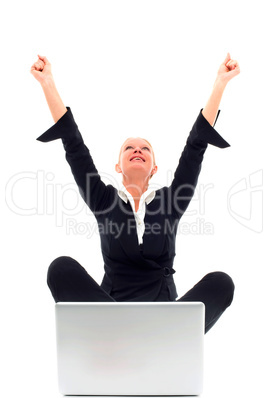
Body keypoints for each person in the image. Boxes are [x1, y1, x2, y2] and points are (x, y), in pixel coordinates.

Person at [31, 53, 240, 333]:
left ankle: (161, 337)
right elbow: (74, 146)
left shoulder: (170, 201)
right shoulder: (103, 199)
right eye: (130, 148)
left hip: (163, 315)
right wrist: (47, 82)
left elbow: (195, 148)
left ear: (154, 168)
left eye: (145, 149)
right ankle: (118, 334)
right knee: (60, 268)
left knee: (222, 282)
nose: (138, 150)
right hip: (112, 312)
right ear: (118, 166)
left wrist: (220, 83)